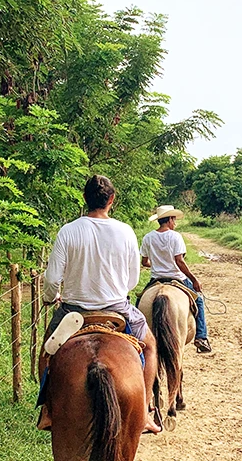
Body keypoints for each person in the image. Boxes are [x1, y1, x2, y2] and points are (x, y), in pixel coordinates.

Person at [36, 175, 161, 434]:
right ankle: (146, 411)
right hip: (117, 309)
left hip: (73, 311)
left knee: (46, 352)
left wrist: (51, 297)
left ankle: (48, 410)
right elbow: (131, 280)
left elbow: (51, 279)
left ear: (85, 199)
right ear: (111, 201)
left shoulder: (68, 231)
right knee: (149, 347)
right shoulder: (125, 231)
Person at [140, 205, 212, 353]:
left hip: (156, 279)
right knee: (198, 300)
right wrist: (194, 279)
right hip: (177, 279)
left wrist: (157, 263)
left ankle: (135, 335)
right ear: (170, 220)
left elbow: (144, 262)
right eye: (174, 219)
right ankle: (201, 337)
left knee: (139, 302)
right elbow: (179, 261)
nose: (175, 223)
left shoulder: (148, 237)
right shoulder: (175, 236)